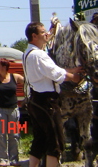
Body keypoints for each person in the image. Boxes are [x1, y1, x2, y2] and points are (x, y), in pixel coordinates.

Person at [23, 22, 85, 167]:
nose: (46, 34)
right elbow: (55, 73)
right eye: (43, 32)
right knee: (56, 141)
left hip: (35, 100)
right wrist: (73, 76)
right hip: (47, 101)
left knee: (40, 139)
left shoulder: (28, 53)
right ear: (34, 36)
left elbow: (50, 70)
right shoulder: (38, 54)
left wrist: (71, 70)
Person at [0, 58, 25, 166]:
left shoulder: (15, 77)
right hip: (0, 110)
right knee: (1, 135)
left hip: (13, 110)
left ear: (4, 67)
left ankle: (14, 159)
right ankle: (2, 159)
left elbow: (28, 83)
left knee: (14, 135)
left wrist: (26, 99)